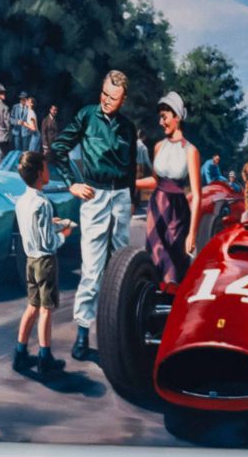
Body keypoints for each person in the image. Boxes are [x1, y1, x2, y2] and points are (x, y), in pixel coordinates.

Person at [51, 69, 139, 361]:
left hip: (121, 199)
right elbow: (59, 148)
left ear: (123, 100)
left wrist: (131, 199)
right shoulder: (87, 116)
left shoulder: (128, 128)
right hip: (95, 196)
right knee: (91, 269)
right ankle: (82, 335)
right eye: (104, 94)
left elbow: (130, 168)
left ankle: (117, 333)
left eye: (113, 98)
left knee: (120, 267)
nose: (106, 101)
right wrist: (71, 184)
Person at [13, 150, 75, 377]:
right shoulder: (43, 203)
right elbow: (48, 242)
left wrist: (53, 222)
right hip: (45, 262)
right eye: (47, 169)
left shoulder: (22, 202)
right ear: (40, 174)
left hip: (30, 260)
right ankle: (44, 357)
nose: (49, 172)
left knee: (32, 306)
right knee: (46, 310)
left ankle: (20, 353)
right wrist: (64, 234)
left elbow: (35, 228)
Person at [137, 92, 202, 287]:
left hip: (177, 212)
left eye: (164, 117)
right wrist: (132, 183)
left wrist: (192, 233)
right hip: (156, 208)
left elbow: (197, 195)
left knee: (174, 265)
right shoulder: (158, 147)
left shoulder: (191, 151)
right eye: (160, 117)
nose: (161, 122)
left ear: (177, 117)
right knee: (155, 258)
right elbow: (154, 181)